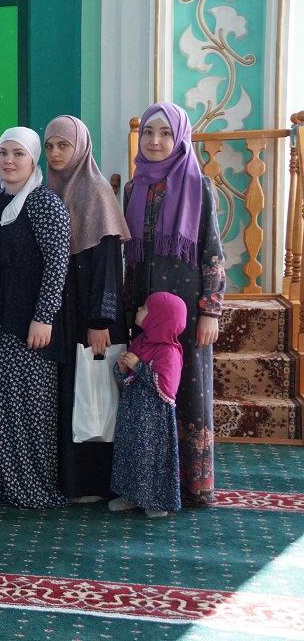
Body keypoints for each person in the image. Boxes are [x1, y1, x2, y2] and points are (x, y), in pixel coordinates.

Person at [123, 102, 224, 506]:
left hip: (186, 312)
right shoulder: (133, 188)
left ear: (180, 137)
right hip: (145, 313)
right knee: (145, 397)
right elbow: (129, 257)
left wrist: (210, 310)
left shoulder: (200, 185)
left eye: (165, 133)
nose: (155, 141)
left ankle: (192, 487)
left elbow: (212, 252)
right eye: (148, 132)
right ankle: (148, 484)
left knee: (190, 394)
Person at [43, 114, 131, 503]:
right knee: (72, 392)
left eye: (64, 145)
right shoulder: (48, 189)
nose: (56, 153)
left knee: (94, 393)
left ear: (80, 147)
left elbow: (109, 266)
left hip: (91, 314)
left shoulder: (96, 192)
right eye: (50, 146)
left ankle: (95, 483)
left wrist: (100, 321)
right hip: (63, 310)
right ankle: (72, 481)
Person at [0, 127, 70, 509]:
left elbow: (57, 264)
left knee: (32, 410)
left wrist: (44, 316)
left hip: (31, 324)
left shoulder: (43, 202)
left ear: (33, 159)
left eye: (18, 154)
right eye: (3, 152)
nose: (9, 161)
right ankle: (12, 485)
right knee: (2, 409)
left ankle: (36, 489)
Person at [110, 292, 187, 518]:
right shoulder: (141, 341)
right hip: (132, 412)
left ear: (158, 318)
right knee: (130, 452)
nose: (138, 310)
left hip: (154, 419)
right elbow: (125, 374)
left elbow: (166, 387)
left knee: (151, 458)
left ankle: (156, 501)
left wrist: (139, 367)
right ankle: (130, 496)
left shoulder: (169, 351)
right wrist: (122, 367)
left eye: (144, 308)